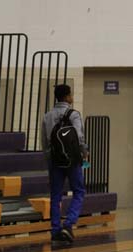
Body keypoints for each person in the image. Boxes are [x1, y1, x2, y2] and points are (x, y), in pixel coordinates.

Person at [42, 84, 88, 243]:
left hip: (55, 160)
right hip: (72, 160)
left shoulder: (47, 116)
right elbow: (79, 138)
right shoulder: (74, 114)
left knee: (55, 195)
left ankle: (55, 230)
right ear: (68, 96)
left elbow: (45, 142)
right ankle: (68, 225)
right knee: (79, 191)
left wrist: (49, 160)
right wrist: (84, 153)